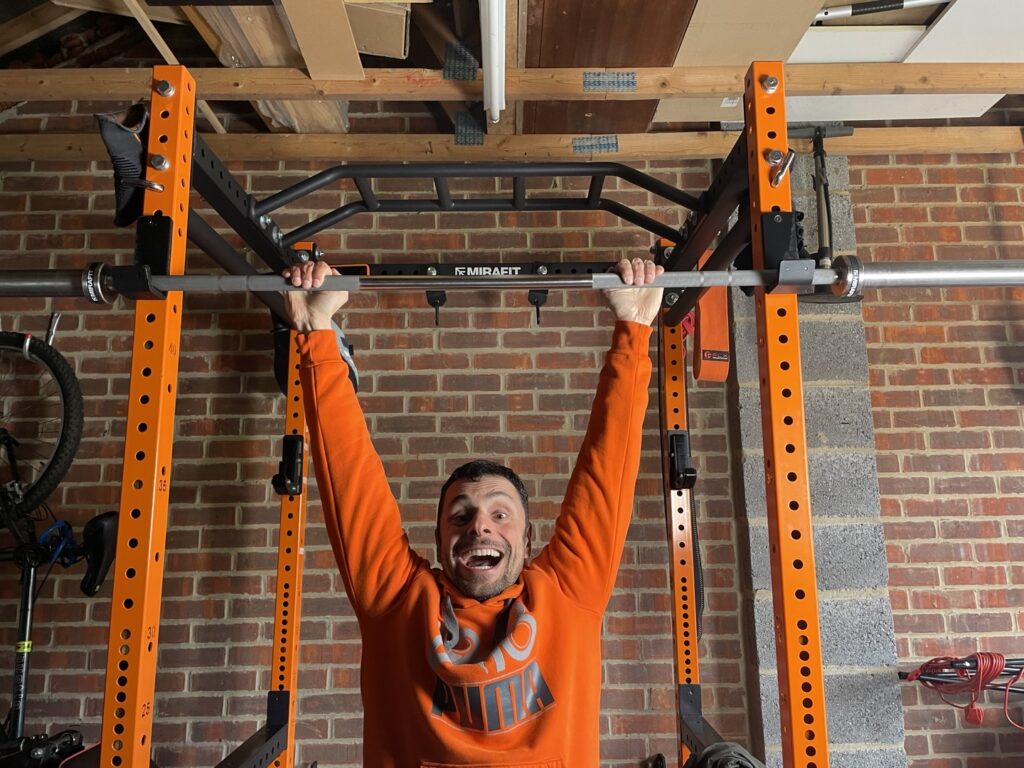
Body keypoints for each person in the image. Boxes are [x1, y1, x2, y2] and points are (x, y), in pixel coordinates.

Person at [283, 257, 664, 767]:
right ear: (440, 544)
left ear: (528, 544)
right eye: (460, 516)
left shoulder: (567, 593)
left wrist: (634, 329)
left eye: (500, 514)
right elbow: (351, 479)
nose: (479, 524)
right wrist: (315, 332)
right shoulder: (399, 603)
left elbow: (606, 473)